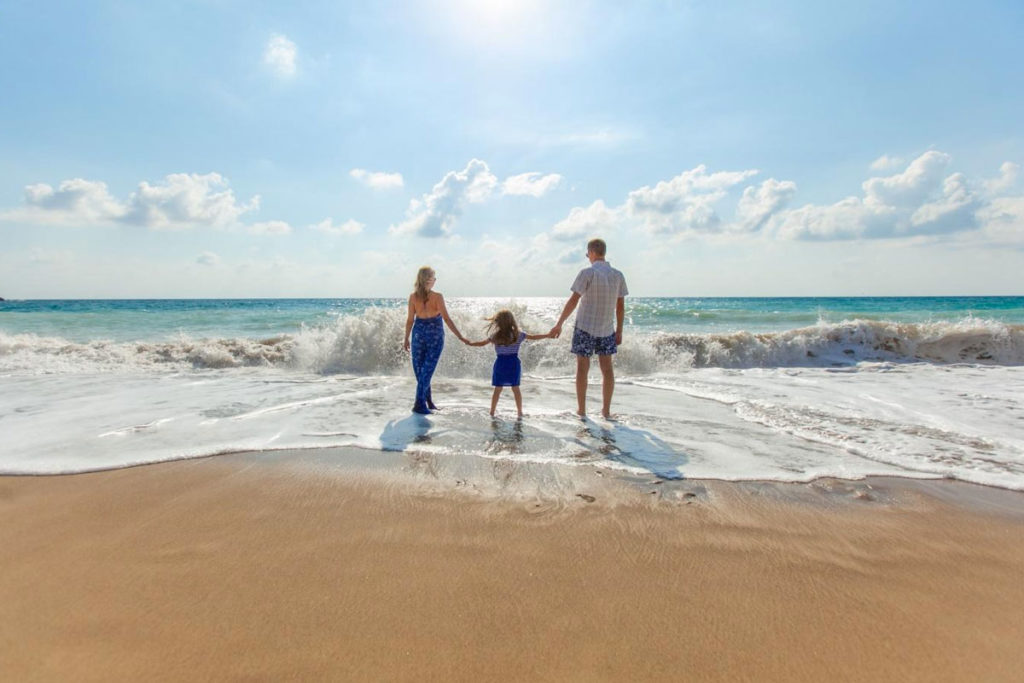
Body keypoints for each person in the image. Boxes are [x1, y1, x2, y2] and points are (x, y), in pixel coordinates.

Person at [549, 238, 628, 418]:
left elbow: (573, 301)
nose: (588, 257)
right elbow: (621, 306)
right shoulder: (618, 275)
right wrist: (620, 330)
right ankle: (606, 411)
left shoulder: (587, 273)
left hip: (585, 327)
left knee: (582, 369)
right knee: (607, 370)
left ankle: (582, 410)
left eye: (587, 254)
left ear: (592, 252)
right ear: (604, 253)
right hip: (607, 329)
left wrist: (559, 323)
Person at [465, 309, 551, 418]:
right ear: (512, 321)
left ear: (498, 322)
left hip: (500, 363)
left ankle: (492, 412)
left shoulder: (495, 336)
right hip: (513, 364)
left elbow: (481, 344)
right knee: (516, 388)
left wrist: (470, 343)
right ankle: (519, 412)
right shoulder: (518, 335)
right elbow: (534, 337)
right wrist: (548, 335)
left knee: (497, 389)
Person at [403, 266, 466, 414]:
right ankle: (419, 404)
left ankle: (427, 401)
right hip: (433, 335)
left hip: (419, 334)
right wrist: (460, 336)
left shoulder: (414, 297)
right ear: (428, 280)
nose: (435, 280)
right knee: (424, 371)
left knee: (423, 371)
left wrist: (406, 338)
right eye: (434, 278)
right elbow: (447, 319)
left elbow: (410, 321)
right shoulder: (436, 297)